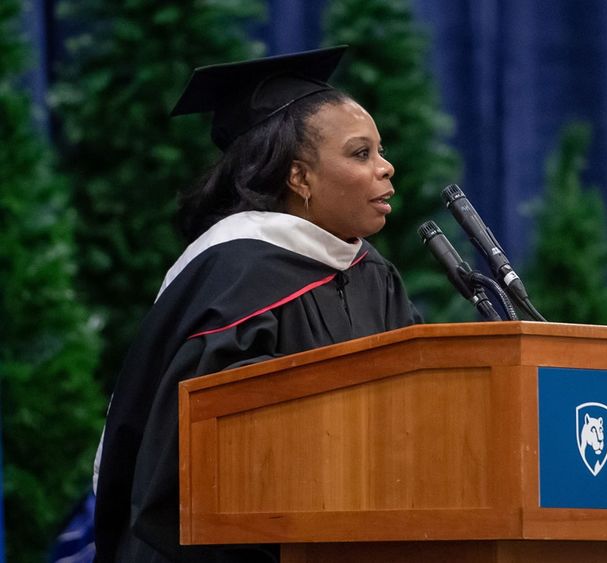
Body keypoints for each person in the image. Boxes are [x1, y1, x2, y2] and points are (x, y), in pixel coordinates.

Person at [91, 45, 422, 563]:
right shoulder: (234, 277)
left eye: (380, 151)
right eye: (361, 153)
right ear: (299, 177)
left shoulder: (372, 275)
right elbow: (212, 457)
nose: (386, 167)